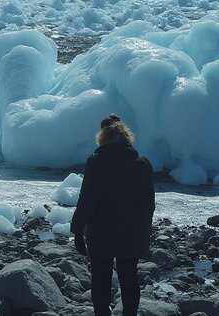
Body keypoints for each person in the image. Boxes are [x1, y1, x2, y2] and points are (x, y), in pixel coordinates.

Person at [70, 114, 155, 316]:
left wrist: (77, 230)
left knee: (100, 278)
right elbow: (149, 204)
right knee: (129, 277)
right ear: (126, 136)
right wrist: (144, 234)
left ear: (102, 136)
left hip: (101, 233)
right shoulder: (142, 164)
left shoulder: (96, 162)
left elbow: (87, 200)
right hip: (132, 233)